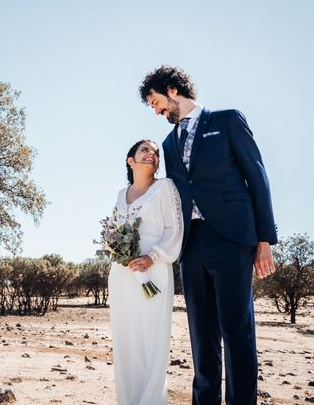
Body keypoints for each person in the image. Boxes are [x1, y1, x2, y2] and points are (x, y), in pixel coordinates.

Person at [139, 65, 277, 405]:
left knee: (236, 332)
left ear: (172, 90)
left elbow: (257, 178)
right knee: (201, 337)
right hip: (192, 245)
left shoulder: (227, 120)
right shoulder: (169, 144)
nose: (156, 110)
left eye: (155, 101)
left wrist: (264, 240)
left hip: (232, 240)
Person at [108, 139, 183, 405]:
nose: (152, 154)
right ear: (131, 161)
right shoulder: (121, 194)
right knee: (126, 340)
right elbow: (113, 232)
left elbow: (174, 230)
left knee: (151, 340)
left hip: (155, 271)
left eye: (156, 152)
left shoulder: (165, 187)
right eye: (145, 150)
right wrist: (117, 251)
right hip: (122, 274)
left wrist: (152, 258)